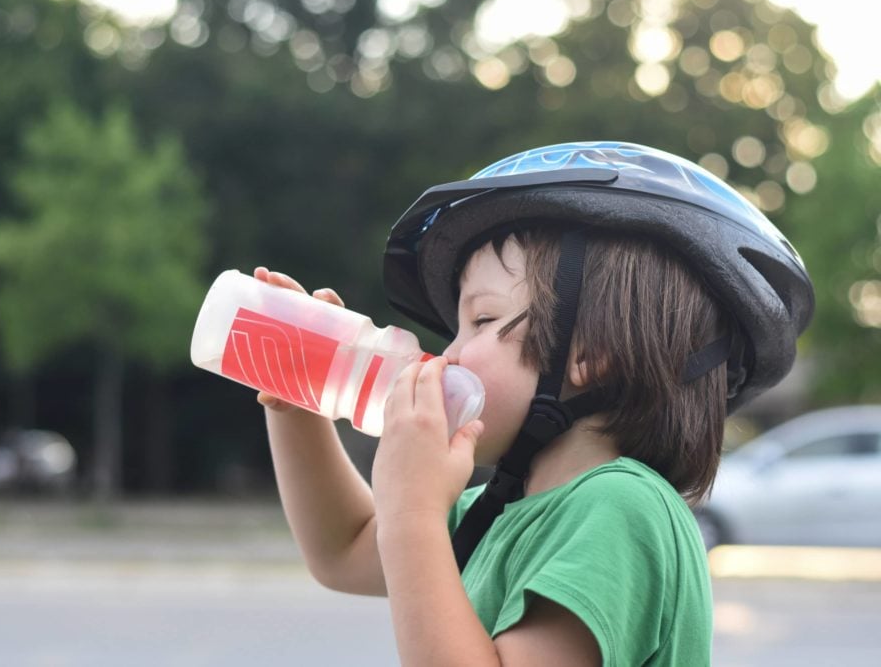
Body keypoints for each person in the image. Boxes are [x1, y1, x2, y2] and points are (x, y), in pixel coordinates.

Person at [254, 142, 814, 665]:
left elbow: (393, 535)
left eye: (482, 319)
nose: (447, 356)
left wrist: (413, 512)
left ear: (590, 354)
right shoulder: (499, 510)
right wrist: (300, 402)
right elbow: (342, 550)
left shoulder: (621, 509)